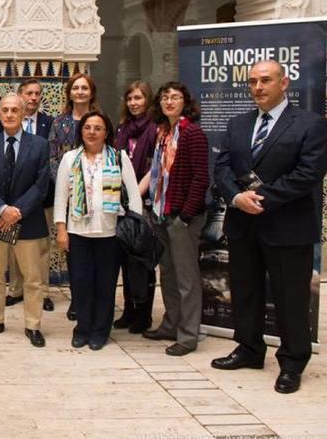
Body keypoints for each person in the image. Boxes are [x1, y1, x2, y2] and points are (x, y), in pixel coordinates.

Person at [212, 59, 327, 394]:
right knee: (245, 292)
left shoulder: (309, 124)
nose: (258, 87)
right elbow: (221, 167)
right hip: (243, 225)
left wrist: (259, 198)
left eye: (265, 80)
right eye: (252, 82)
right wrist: (236, 199)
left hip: (288, 228)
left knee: (291, 299)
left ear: (284, 82)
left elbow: (308, 174)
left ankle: (292, 363)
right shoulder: (237, 123)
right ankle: (249, 349)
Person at [54, 111, 142, 350]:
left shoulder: (119, 157)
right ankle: (82, 328)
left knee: (105, 284)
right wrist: (61, 230)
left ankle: (101, 330)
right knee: (80, 284)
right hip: (77, 233)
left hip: (111, 235)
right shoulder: (70, 158)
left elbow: (134, 197)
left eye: (98, 128)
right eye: (87, 127)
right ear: (81, 131)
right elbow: (61, 198)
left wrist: (133, 229)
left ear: (106, 133)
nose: (92, 132)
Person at [0, 94, 51, 347]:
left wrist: (17, 211)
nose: (8, 114)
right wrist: (2, 209)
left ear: (23, 113)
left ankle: (33, 325)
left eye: (14, 110)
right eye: (4, 110)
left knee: (32, 278)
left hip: (28, 221)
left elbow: (41, 185)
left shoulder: (39, 145)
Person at [140, 82, 209, 356]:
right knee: (167, 274)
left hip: (183, 218)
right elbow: (157, 173)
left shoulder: (192, 134)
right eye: (165, 97)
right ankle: (170, 324)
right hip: (162, 213)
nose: (169, 101)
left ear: (185, 102)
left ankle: (188, 335)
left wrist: (187, 215)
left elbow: (201, 177)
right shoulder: (163, 133)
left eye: (176, 97)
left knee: (186, 278)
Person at [0, 78, 56, 312]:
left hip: (39, 198)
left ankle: (42, 292)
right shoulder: (1, 124)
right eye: (29, 93)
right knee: (13, 248)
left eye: (37, 93)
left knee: (40, 248)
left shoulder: (48, 123)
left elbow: (48, 164)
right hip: (10, 201)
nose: (33, 97)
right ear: (20, 95)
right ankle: (15, 289)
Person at [48, 73, 101, 321]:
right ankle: (77, 300)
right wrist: (66, 186)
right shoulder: (59, 123)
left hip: (99, 195)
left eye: (84, 88)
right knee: (74, 251)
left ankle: (95, 299)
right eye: (76, 88)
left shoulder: (99, 120)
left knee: (96, 251)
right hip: (70, 197)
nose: (80, 92)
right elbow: (53, 157)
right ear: (69, 93)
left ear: (91, 92)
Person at [112, 81, 158, 333]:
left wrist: (134, 195)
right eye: (130, 98)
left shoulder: (155, 129)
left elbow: (155, 168)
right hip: (121, 203)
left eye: (138, 98)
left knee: (142, 259)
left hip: (144, 202)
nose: (133, 103)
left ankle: (144, 313)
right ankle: (129, 309)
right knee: (125, 260)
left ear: (147, 100)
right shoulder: (123, 129)